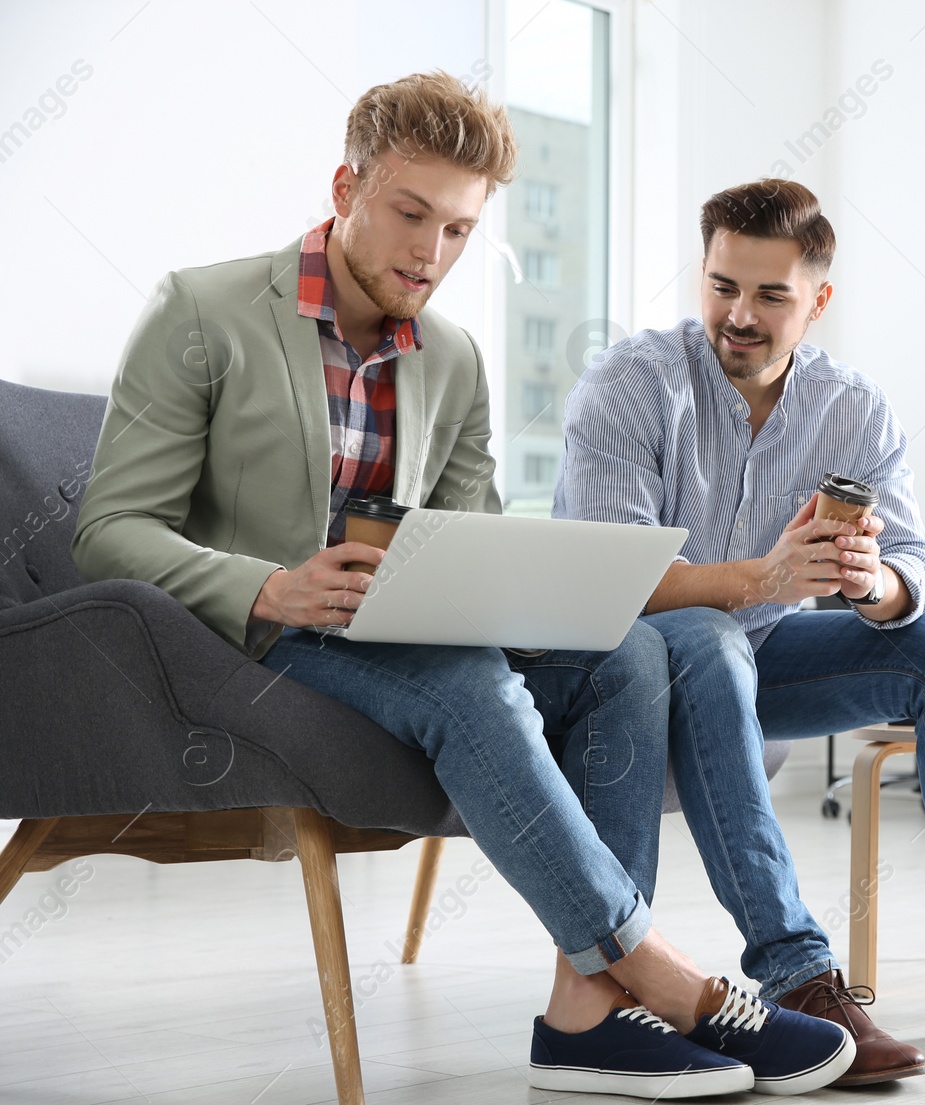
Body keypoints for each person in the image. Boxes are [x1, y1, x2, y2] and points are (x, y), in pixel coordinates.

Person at [71, 78, 851, 1099]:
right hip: (256, 637)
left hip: (402, 630)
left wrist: (534, 597)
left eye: (457, 230)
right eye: (409, 214)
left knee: (638, 648)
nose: (429, 253)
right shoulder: (204, 309)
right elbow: (107, 532)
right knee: (466, 685)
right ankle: (658, 977)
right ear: (346, 187)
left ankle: (585, 1021)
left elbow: (464, 537)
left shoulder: (453, 358)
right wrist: (272, 585)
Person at [554, 178, 925, 1085]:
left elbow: (916, 563)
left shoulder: (855, 407)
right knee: (713, 641)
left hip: (760, 656)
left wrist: (873, 583)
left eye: (771, 295)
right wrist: (766, 577)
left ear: (819, 300)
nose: (739, 315)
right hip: (630, 666)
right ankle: (797, 977)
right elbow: (615, 587)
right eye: (722, 286)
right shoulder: (631, 388)